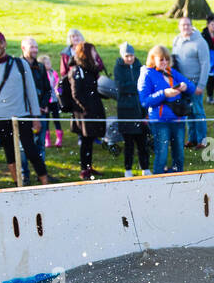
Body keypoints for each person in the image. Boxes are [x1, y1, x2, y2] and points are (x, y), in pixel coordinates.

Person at [0, 31, 50, 185]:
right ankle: (18, 184)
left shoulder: (20, 64)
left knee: (31, 150)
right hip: (1, 117)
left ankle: (45, 182)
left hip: (22, 115)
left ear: (4, 43)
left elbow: (31, 90)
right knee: (9, 153)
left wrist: (36, 116)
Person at [138, 44, 195, 174]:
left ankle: (178, 178)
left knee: (179, 155)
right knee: (161, 154)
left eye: (166, 59)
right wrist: (164, 93)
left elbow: (192, 87)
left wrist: (185, 87)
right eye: (161, 59)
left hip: (178, 119)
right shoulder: (147, 74)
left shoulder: (171, 72)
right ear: (153, 59)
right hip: (160, 121)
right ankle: (158, 181)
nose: (164, 62)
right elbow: (145, 101)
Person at [61, 40, 107, 181]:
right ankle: (84, 170)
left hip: (92, 109)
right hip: (84, 113)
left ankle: (88, 167)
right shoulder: (77, 70)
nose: (95, 54)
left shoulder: (89, 70)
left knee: (89, 140)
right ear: (86, 53)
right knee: (85, 140)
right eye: (92, 51)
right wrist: (86, 108)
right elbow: (76, 93)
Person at [171, 16, 210, 149]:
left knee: (198, 112)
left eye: (188, 25)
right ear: (179, 27)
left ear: (192, 26)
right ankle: (192, 139)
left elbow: (205, 65)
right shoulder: (176, 40)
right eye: (183, 25)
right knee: (188, 111)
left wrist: (201, 85)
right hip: (182, 85)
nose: (185, 28)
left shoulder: (200, 42)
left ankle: (202, 141)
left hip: (195, 83)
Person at [19, 38, 54, 184]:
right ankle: (24, 174)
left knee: (40, 144)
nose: (35, 50)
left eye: (36, 47)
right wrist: (31, 107)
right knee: (24, 146)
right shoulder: (18, 66)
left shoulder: (40, 66)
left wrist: (44, 105)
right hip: (25, 112)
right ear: (23, 48)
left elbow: (47, 89)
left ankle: (42, 173)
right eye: (31, 47)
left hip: (41, 111)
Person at [114, 43, 149, 177]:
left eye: (131, 55)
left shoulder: (139, 67)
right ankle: (127, 169)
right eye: (127, 56)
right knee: (128, 143)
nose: (129, 58)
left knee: (142, 142)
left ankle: (145, 168)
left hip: (139, 107)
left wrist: (134, 88)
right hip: (125, 110)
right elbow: (120, 87)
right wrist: (135, 87)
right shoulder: (118, 68)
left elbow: (143, 85)